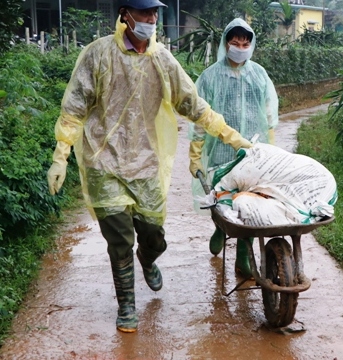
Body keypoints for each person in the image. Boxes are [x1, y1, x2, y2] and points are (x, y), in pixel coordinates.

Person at [46, 0, 251, 333]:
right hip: (103, 162)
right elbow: (74, 108)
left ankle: (149, 258)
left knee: (153, 235)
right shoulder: (97, 55)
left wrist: (232, 136)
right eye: (144, 13)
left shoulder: (162, 60)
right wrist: (61, 155)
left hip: (145, 164)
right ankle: (127, 305)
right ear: (125, 15)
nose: (152, 19)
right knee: (120, 240)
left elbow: (194, 105)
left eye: (155, 13)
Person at [188, 18, 279, 278]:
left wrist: (269, 147)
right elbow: (198, 118)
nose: (240, 46)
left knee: (249, 204)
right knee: (223, 199)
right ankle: (220, 227)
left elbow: (270, 113)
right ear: (226, 43)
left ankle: (242, 257)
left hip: (252, 149)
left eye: (245, 42)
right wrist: (195, 154)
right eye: (235, 42)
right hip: (220, 151)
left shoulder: (259, 74)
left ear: (251, 44)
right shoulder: (210, 77)